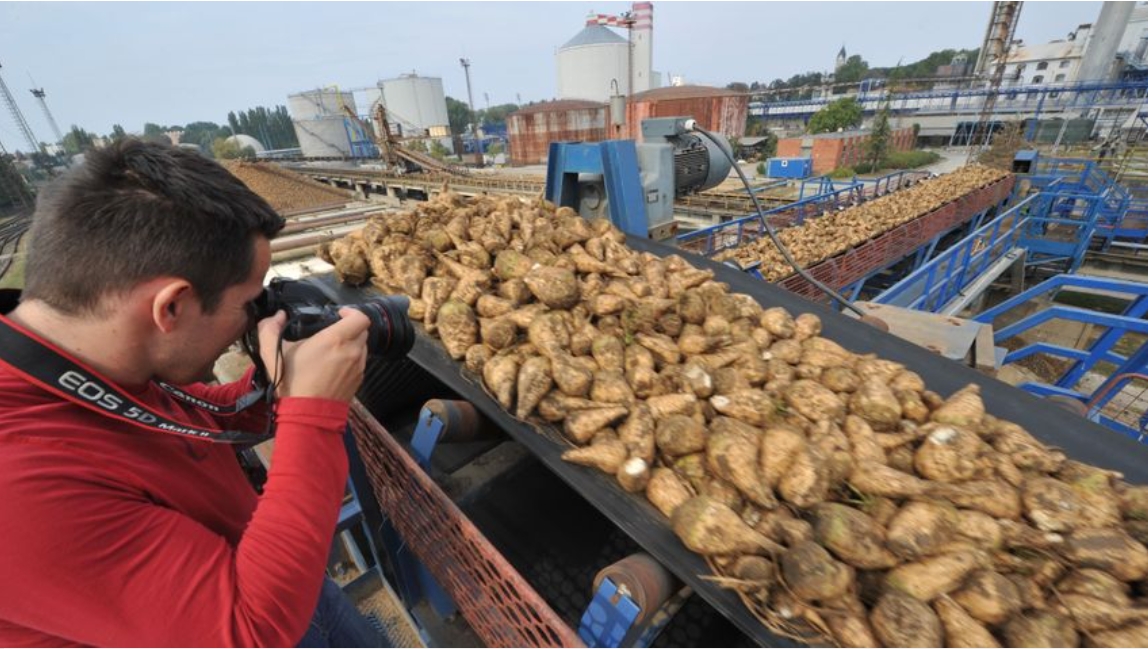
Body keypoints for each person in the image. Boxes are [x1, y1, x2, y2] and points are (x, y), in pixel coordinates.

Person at [0, 139, 382, 647]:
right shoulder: (19, 484)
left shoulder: (73, 354)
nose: (255, 317)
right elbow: (249, 632)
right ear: (171, 307)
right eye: (248, 303)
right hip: (255, 614)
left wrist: (274, 382)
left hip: (275, 570)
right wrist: (312, 414)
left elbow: (182, 424)